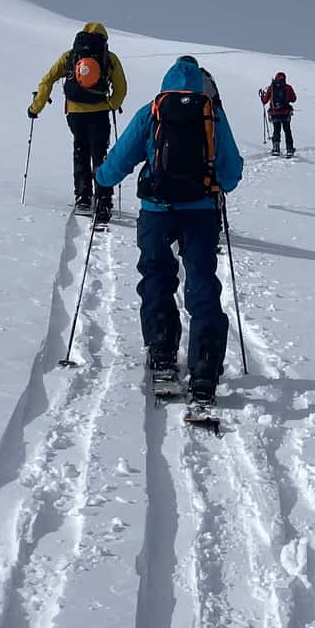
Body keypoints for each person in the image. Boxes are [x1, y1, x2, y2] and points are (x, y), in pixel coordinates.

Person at [96, 55, 244, 404]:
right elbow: (232, 172)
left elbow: (121, 157)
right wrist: (213, 184)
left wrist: (102, 178)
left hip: (156, 211)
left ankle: (162, 350)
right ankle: (205, 366)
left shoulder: (153, 110)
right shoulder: (211, 113)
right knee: (202, 282)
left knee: (157, 276)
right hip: (200, 213)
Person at [28, 22, 128, 224]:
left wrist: (35, 107)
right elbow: (121, 88)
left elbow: (47, 80)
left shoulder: (70, 55)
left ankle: (83, 197)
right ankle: (103, 198)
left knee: (80, 150)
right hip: (99, 112)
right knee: (100, 154)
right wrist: (111, 104)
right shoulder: (109, 58)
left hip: (75, 112)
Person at [259, 71, 297, 156]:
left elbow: (264, 101)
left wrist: (262, 96)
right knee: (287, 130)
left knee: (276, 130)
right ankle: (289, 149)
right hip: (286, 113)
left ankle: (276, 149)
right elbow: (294, 99)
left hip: (274, 113)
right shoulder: (288, 87)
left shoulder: (271, 88)